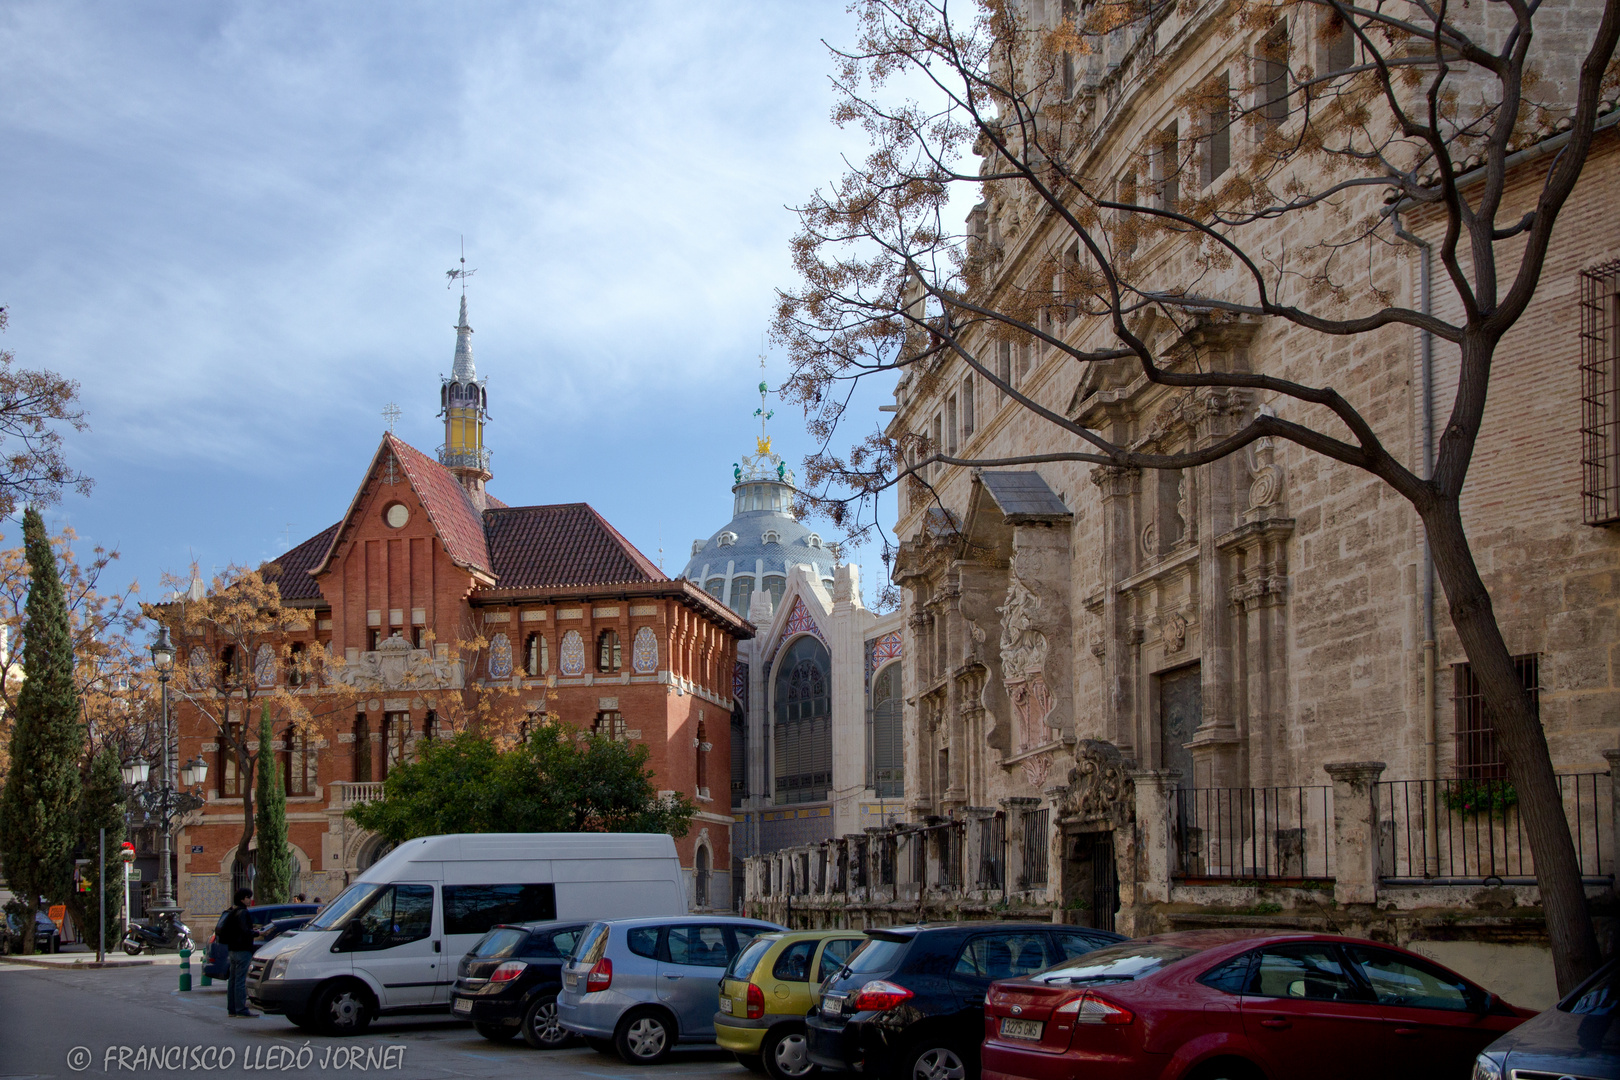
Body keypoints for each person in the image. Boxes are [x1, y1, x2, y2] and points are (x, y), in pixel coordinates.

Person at [217, 888, 257, 1018]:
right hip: (243, 950)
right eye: (248, 897)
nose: (250, 900)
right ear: (242, 899)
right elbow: (245, 931)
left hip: (232, 950)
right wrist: (258, 933)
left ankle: (232, 1009)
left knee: (233, 980)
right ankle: (241, 1009)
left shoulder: (232, 912)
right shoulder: (243, 913)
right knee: (240, 981)